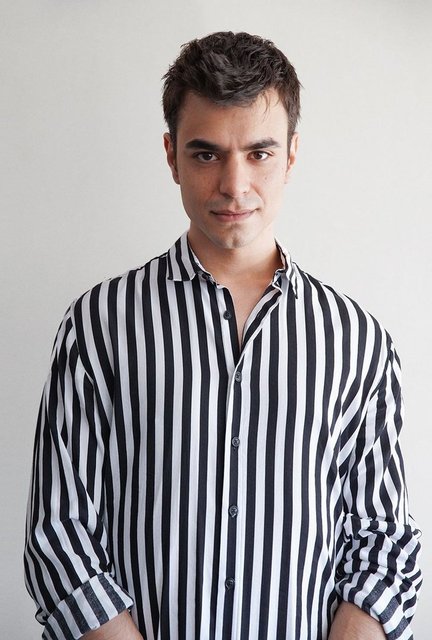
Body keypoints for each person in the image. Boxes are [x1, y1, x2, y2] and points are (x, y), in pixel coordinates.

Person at [24, 31, 422, 640]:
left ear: (291, 154)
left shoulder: (357, 341)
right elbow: (59, 535)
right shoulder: (99, 325)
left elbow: (384, 544)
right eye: (207, 154)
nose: (234, 185)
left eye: (259, 153)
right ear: (171, 155)